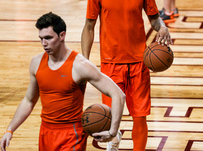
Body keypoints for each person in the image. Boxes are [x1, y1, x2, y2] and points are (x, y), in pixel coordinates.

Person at [81, 0, 172, 151]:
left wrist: (163, 27)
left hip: (139, 64)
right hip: (110, 66)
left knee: (140, 116)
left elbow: (154, 19)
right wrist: (85, 60)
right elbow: (89, 26)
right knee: (109, 117)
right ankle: (112, 143)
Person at [0, 12, 125, 151]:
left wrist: (113, 131)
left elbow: (118, 94)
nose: (44, 43)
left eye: (48, 38)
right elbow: (29, 101)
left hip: (72, 135)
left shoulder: (80, 65)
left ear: (62, 36)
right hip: (45, 132)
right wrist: (9, 130)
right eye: (41, 38)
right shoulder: (36, 63)